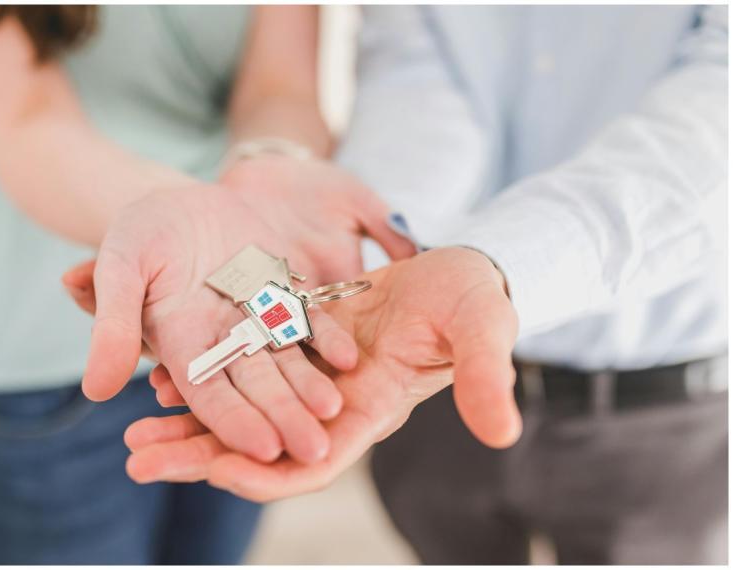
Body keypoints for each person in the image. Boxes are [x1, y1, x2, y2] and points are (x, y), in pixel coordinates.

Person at [74, 5, 727, 565]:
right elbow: (420, 67)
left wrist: (497, 264)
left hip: (661, 400)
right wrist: (365, 227)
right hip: (410, 367)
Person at [0, 5, 412, 564]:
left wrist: (271, 161)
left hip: (230, 323)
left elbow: (280, 90)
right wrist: (173, 216)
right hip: (47, 365)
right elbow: (27, 120)